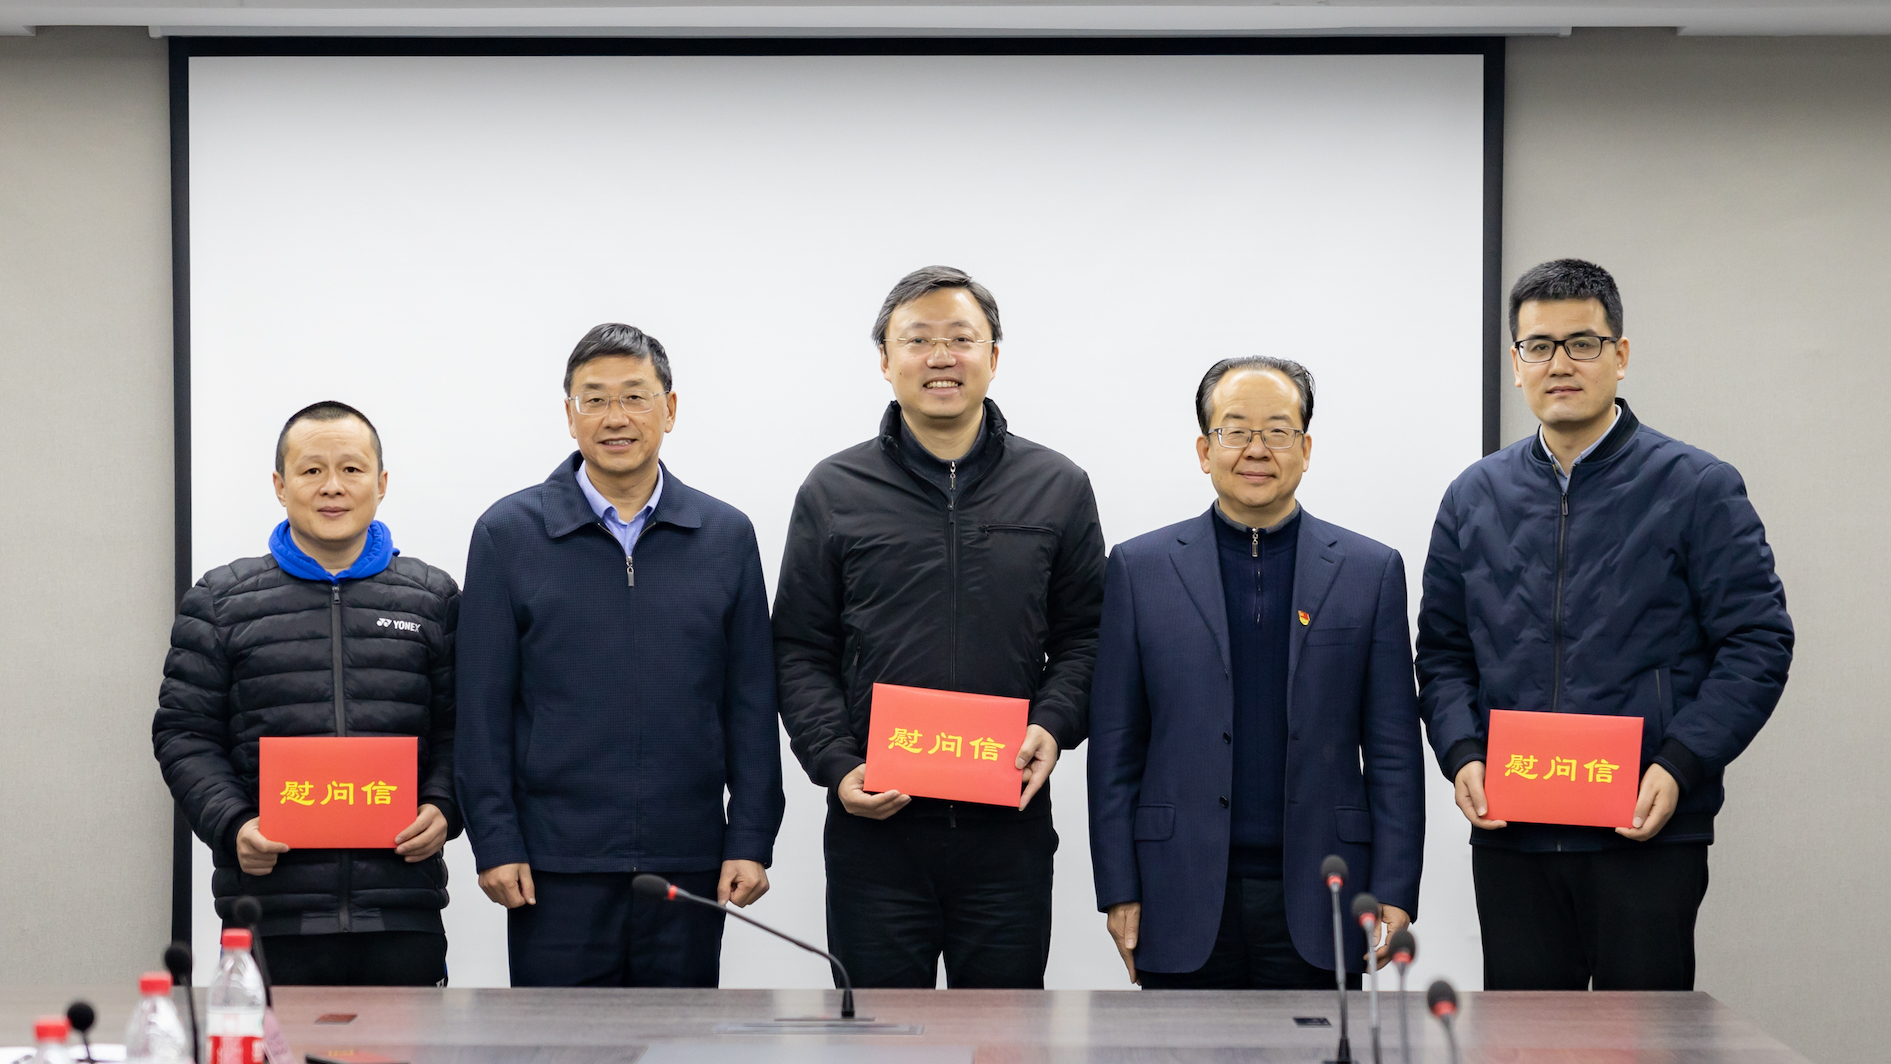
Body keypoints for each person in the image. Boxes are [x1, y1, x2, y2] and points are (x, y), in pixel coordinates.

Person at [1417, 259, 1794, 991]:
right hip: (1515, 832)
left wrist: (1680, 763)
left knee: (1643, 1035)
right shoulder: (1473, 495)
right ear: (1516, 363)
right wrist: (1462, 752)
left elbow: (1757, 642)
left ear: (1619, 356)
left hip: (1644, 828)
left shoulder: (1695, 486)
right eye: (1538, 346)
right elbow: (1442, 652)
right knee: (1525, 1037)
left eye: (1581, 343)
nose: (1559, 364)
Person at [773, 265, 1107, 989]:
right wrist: (836, 764)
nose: (941, 357)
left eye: (961, 338)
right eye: (917, 339)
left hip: (1008, 831)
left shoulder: (1057, 486)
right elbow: (799, 647)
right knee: (879, 1035)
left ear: (994, 355)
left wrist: (1053, 724)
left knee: (1004, 1033)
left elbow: (1087, 635)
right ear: (885, 360)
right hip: (875, 836)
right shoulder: (834, 490)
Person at [456, 323, 784, 988]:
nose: (615, 418)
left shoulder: (725, 535)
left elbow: (751, 701)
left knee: (678, 1039)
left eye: (634, 397)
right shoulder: (508, 534)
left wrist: (750, 837)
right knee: (558, 1041)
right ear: (569, 414)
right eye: (595, 399)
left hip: (686, 859)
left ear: (669, 408)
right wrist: (495, 840)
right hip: (554, 863)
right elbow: (481, 709)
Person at [1087, 357, 1424, 988]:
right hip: (1176, 885)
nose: (1257, 449)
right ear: (1204, 449)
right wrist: (1118, 886)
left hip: (1324, 891)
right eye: (1236, 430)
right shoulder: (1139, 568)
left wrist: (1395, 885)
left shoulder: (1370, 570)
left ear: (1306, 449)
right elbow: (1115, 746)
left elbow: (1393, 749)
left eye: (1278, 431)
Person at [155, 401, 460, 986]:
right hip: (269, 913)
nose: (332, 487)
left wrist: (444, 807)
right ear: (280, 485)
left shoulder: (433, 599)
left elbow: (464, 730)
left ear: (381, 483)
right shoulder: (220, 601)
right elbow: (184, 734)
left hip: (401, 909)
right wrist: (233, 825)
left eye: (351, 469)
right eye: (312, 470)